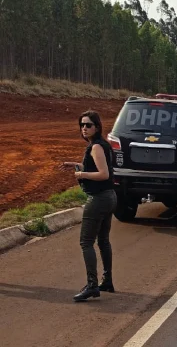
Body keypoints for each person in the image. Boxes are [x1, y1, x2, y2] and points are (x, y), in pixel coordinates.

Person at [61, 110, 117, 302]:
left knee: (86, 242)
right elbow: (97, 168)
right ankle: (107, 280)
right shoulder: (103, 145)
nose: (84, 128)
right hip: (109, 197)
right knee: (103, 241)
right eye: (82, 125)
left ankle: (92, 285)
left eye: (88, 125)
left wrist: (81, 175)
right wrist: (76, 165)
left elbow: (103, 174)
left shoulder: (96, 148)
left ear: (97, 127)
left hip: (99, 199)